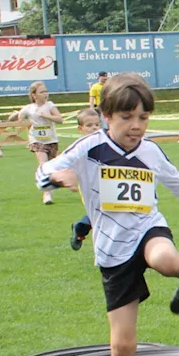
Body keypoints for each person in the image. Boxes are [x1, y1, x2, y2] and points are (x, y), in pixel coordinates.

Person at [37, 72, 179, 356]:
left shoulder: (150, 151)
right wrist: (55, 176)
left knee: (166, 261)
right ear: (106, 116)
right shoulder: (88, 148)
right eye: (126, 117)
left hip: (147, 229)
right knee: (122, 346)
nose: (136, 126)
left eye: (143, 118)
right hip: (111, 249)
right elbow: (42, 173)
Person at [7, 81, 63, 205]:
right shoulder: (29, 108)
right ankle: (47, 193)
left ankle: (48, 188)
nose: (45, 94)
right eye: (42, 92)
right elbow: (16, 118)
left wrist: (47, 116)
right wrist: (16, 114)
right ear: (34, 95)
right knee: (43, 164)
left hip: (51, 140)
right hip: (37, 140)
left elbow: (60, 120)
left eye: (46, 91)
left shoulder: (50, 105)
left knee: (50, 166)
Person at [68, 107, 101, 251]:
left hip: (109, 185)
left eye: (96, 124)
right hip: (90, 189)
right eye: (89, 125)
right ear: (80, 129)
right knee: (102, 213)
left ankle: (81, 227)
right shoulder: (79, 148)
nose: (94, 128)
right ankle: (81, 228)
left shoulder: (105, 143)